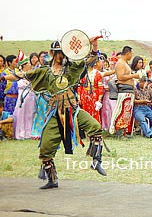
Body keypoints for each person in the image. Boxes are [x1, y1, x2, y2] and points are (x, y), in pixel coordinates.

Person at [0, 36, 107, 189]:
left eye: (63, 52)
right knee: (45, 149)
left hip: (73, 110)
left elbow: (89, 60)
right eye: (58, 52)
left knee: (95, 127)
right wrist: (3, 77)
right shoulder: (43, 71)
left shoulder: (71, 69)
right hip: (55, 113)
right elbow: (21, 75)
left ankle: (96, 162)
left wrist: (93, 44)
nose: (62, 55)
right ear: (52, 53)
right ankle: (52, 179)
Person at [109, 46, 141, 136]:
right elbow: (120, 77)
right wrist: (133, 76)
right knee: (122, 111)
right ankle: (118, 131)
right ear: (128, 53)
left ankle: (123, 131)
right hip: (124, 90)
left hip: (128, 90)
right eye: (131, 54)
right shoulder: (120, 63)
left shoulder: (124, 63)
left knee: (126, 112)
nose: (131, 56)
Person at [13, 51, 36, 140]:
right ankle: (21, 133)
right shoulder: (19, 74)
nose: (30, 64)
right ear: (24, 65)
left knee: (30, 114)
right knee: (21, 114)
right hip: (23, 96)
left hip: (31, 96)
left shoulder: (31, 74)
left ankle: (29, 133)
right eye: (28, 63)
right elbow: (20, 84)